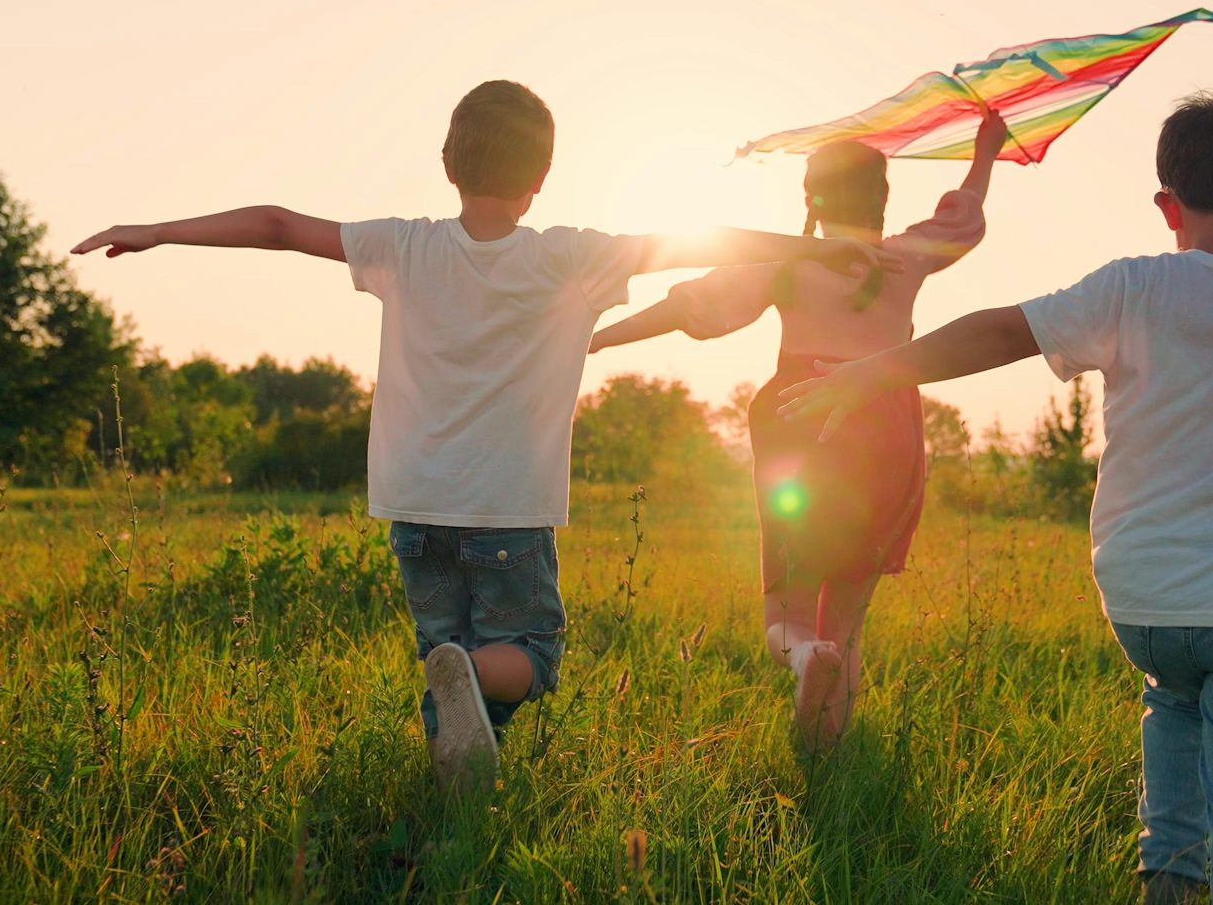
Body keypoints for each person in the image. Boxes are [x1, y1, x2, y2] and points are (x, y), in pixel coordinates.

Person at [72, 79, 898, 792]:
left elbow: (281, 224)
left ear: (448, 162)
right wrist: (803, 244)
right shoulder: (572, 258)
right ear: (540, 179)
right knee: (529, 657)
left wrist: (159, 230)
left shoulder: (403, 246)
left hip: (415, 506)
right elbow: (705, 244)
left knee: (446, 648)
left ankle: (459, 780)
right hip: (509, 511)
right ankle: (467, 692)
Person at [779, 92, 1213, 903]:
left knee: (1176, 709)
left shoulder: (1131, 289)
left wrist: (874, 367)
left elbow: (1000, 330)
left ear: (1168, 207)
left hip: (1147, 602)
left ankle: (1170, 883)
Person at [589, 110, 1009, 751]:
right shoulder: (906, 258)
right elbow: (965, 216)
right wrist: (985, 152)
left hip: (797, 418)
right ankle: (825, 745)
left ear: (810, 197)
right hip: (884, 423)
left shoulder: (787, 264)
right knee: (849, 614)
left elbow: (688, 308)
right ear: (883, 197)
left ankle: (804, 654)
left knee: (785, 611)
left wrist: (591, 340)